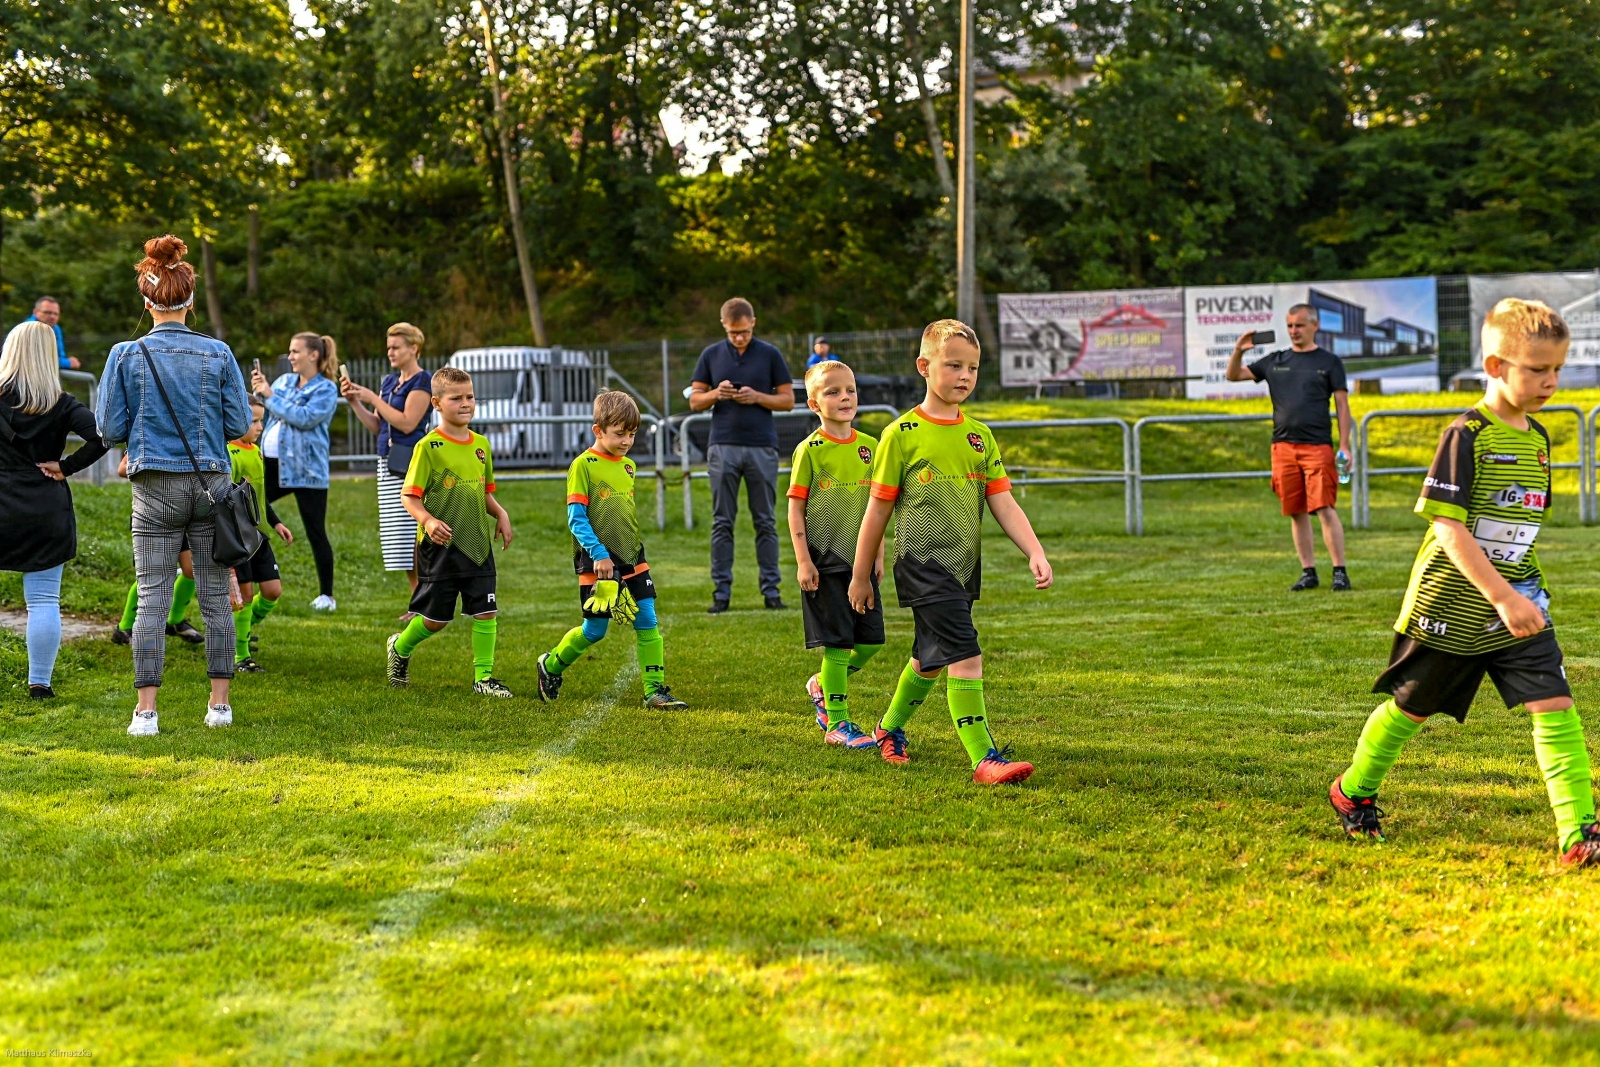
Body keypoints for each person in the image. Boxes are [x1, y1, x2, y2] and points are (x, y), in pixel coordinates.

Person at [1328, 299, 1598, 867]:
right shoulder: (1466, 434)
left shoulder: (1541, 439)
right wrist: (1497, 594)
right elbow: (1448, 528)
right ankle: (1353, 791)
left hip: (1521, 601)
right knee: (1411, 709)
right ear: (1497, 367)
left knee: (1556, 705)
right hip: (1452, 601)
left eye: (1558, 369)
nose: (1551, 381)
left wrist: (1516, 594)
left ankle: (1579, 833)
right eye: (1537, 369)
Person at [849, 319, 1052, 785]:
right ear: (924, 366)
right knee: (966, 653)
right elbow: (877, 512)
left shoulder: (979, 435)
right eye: (953, 364)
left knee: (931, 657)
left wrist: (1034, 551)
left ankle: (888, 729)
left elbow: (1001, 499)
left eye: (973, 368)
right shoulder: (900, 434)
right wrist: (862, 575)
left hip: (963, 567)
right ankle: (984, 759)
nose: (964, 375)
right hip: (922, 563)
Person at [96, 234, 252, 735]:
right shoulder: (219, 354)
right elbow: (239, 425)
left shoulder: (125, 354)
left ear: (147, 300)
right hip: (211, 485)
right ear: (189, 299)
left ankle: (146, 712)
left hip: (152, 489)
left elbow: (110, 430)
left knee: (152, 597)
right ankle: (219, 706)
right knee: (214, 596)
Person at [534, 391, 689, 710]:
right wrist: (599, 554)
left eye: (632, 434)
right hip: (597, 562)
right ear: (598, 431)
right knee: (595, 630)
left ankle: (654, 690)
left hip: (633, 558)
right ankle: (550, 666)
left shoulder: (629, 466)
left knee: (647, 617)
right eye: (620, 433)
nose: (627, 441)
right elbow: (576, 519)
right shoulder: (583, 466)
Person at [384, 367, 514, 697]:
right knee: (436, 619)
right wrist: (427, 521)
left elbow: (483, 491)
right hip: (439, 547)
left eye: (470, 396)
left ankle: (483, 678)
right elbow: (408, 496)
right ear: (437, 403)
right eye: (456, 398)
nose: (466, 403)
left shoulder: (481, 445)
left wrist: (499, 512)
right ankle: (400, 647)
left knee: (486, 609)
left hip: (477, 544)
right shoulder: (429, 447)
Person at [0, 320, 109, 698]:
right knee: (43, 600)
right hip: (44, 506)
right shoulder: (62, 404)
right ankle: (39, 684)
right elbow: (102, 436)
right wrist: (66, 467)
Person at [788, 360, 884, 748]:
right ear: (814, 404)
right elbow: (795, 508)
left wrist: (877, 554)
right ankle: (838, 725)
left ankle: (821, 684)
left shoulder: (871, 447)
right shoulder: (809, 450)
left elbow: (878, 506)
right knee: (839, 643)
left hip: (861, 563)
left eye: (850, 390)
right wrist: (802, 560)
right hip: (824, 561)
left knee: (872, 641)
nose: (844, 397)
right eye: (832, 392)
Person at [1225, 304, 1353, 591]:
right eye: (1290, 326)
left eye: (1300, 325)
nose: (1294, 331)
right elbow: (1233, 376)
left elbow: (1343, 406)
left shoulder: (1330, 362)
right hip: (1282, 448)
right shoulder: (1275, 360)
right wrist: (1239, 350)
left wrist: (1344, 445)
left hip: (1318, 446)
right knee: (1295, 510)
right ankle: (1308, 572)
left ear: (1314, 326)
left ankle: (1339, 572)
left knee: (1324, 507)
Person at [689, 297, 795, 613]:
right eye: (734, 333)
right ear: (724, 326)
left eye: (745, 332)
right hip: (722, 445)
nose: (739, 338)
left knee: (765, 521)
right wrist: (715, 394)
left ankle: (772, 593)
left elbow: (788, 400)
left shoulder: (770, 354)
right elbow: (695, 400)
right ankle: (721, 594)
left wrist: (758, 397)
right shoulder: (710, 355)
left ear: (753, 324)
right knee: (722, 521)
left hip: (762, 445)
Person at [342, 322, 433, 600]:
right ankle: (416, 599)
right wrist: (356, 402)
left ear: (413, 348)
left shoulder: (423, 381)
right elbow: (377, 425)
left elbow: (407, 423)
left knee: (414, 534)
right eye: (388, 347)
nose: (390, 352)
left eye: (396, 347)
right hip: (388, 462)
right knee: (400, 537)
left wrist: (372, 397)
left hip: (411, 463)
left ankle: (426, 599)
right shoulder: (390, 382)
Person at [251, 333, 339, 611]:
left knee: (316, 531)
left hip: (307, 471)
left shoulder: (325, 389)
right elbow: (269, 411)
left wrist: (270, 396)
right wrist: (261, 394)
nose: (290, 357)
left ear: (313, 355)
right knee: (250, 505)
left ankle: (327, 596)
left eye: (295, 351)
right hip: (274, 465)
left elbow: (304, 418)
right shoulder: (284, 382)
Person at [228, 400, 295, 673]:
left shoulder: (255, 451)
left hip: (259, 534)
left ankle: (242, 631)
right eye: (253, 421)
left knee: (272, 590)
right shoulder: (228, 453)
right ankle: (241, 656)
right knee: (243, 596)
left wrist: (276, 523)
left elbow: (259, 496)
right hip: (237, 537)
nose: (260, 427)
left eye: (260, 420)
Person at [111, 452, 204, 646]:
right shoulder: (150, 433)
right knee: (153, 573)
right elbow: (122, 469)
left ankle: (175, 621)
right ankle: (125, 628)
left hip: (185, 515)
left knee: (192, 569)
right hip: (153, 514)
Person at [26, 296, 81, 370]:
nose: (52, 316)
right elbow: (37, 360)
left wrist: (63, 361)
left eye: (56, 314)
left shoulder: (55, 328)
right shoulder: (29, 328)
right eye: (47, 312)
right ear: (35, 312)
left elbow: (60, 355)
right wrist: (68, 363)